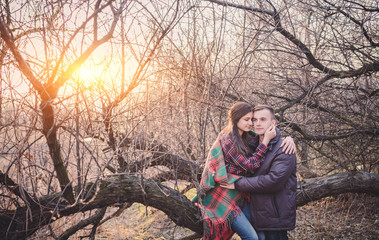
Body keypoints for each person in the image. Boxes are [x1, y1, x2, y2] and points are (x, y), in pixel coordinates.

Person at [193, 102, 295, 240]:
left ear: (273, 122)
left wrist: (288, 138)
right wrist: (265, 142)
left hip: (256, 204)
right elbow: (250, 166)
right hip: (227, 196)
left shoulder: (251, 139)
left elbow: (272, 178)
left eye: (253, 119)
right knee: (253, 237)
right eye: (250, 120)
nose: (253, 123)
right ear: (236, 120)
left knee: (261, 237)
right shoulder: (231, 140)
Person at [232, 104, 297, 240]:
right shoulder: (251, 145)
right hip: (255, 213)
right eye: (255, 120)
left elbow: (273, 181)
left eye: (263, 119)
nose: (258, 123)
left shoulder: (284, 148)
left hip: (275, 218)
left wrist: (237, 184)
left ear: (273, 123)